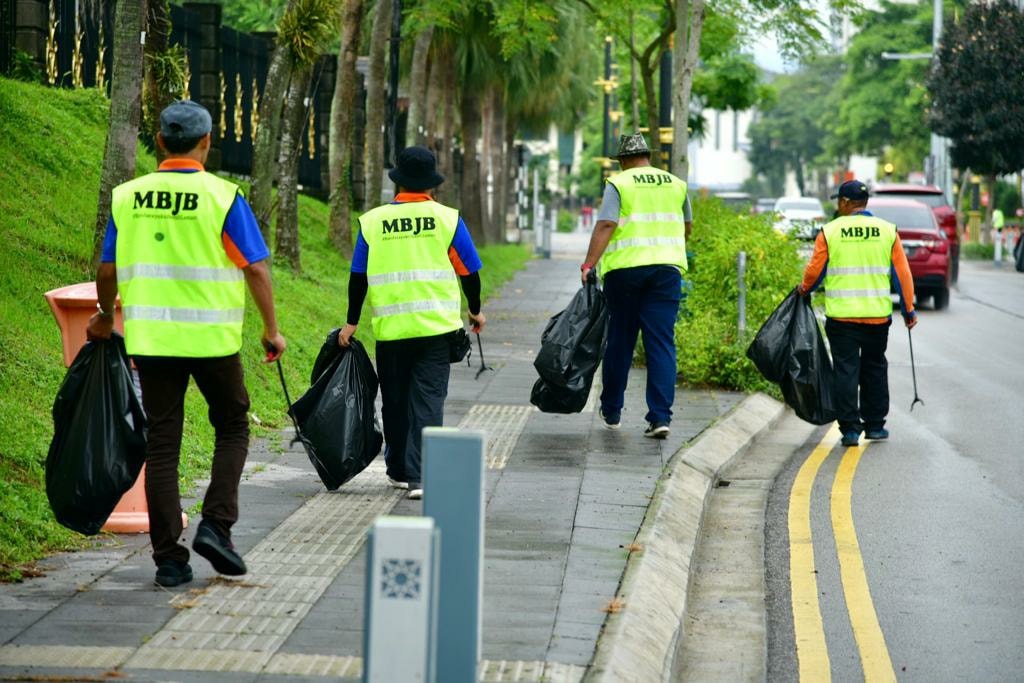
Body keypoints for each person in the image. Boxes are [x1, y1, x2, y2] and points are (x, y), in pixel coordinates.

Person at [87, 100, 286, 587]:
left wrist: (102, 315)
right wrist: (270, 329)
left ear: (157, 141)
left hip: (153, 339)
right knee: (233, 425)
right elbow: (255, 267)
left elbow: (108, 270)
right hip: (212, 340)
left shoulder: (127, 197)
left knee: (162, 445)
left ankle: (169, 561)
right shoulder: (222, 197)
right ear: (207, 143)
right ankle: (216, 527)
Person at [339, 146, 485, 500]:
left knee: (395, 400)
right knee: (428, 400)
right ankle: (421, 477)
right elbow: (469, 271)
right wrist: (475, 310)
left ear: (398, 183)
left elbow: (358, 276)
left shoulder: (372, 222)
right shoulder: (448, 219)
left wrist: (351, 323)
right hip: (435, 330)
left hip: (391, 331)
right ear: (431, 183)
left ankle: (399, 469)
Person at [581, 132, 691, 439]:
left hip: (626, 272)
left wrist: (589, 263)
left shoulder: (620, 183)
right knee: (661, 343)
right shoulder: (676, 184)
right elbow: (687, 226)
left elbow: (606, 224)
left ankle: (612, 410)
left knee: (620, 340)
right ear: (648, 157)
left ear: (624, 161)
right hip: (666, 272)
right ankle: (659, 417)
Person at [798, 180, 917, 447]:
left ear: (844, 203)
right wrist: (908, 309)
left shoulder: (830, 231)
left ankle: (850, 430)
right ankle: (875, 426)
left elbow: (815, 272)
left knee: (845, 371)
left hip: (842, 319)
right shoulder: (887, 231)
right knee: (874, 368)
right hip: (877, 318)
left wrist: (804, 290)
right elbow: (902, 275)